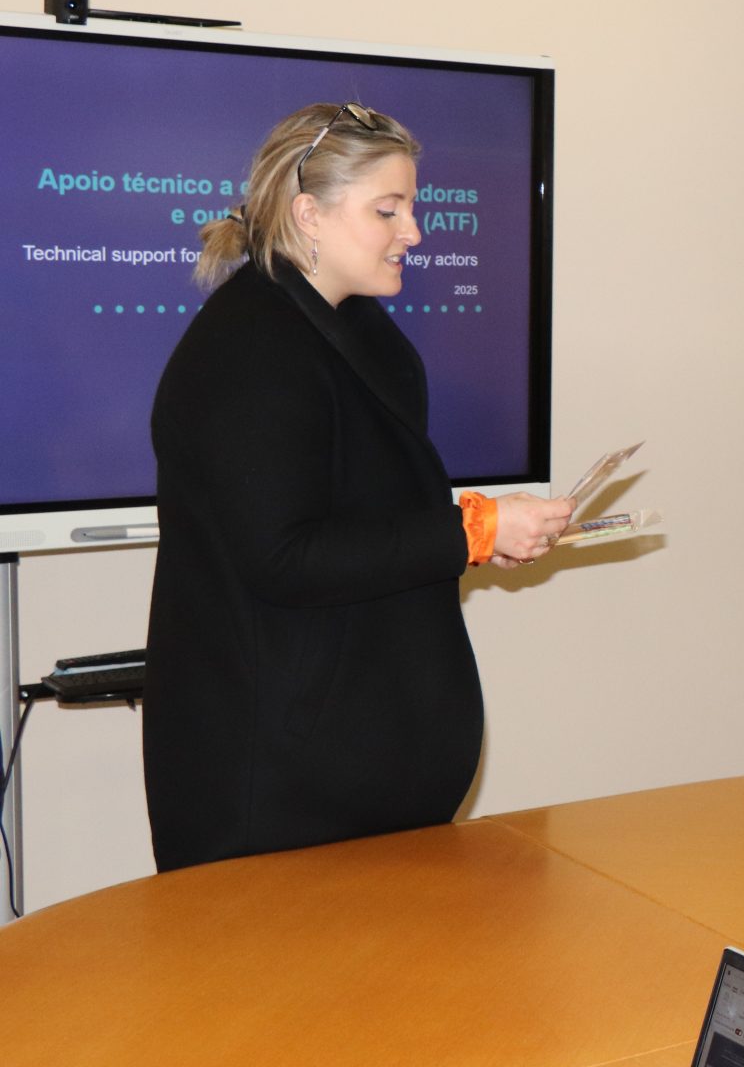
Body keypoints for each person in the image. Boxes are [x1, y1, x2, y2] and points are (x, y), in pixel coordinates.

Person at [144, 102, 573, 872]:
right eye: (388, 210)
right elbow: (282, 556)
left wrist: (481, 536)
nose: (413, 231)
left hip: (355, 784)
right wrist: (469, 530)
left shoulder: (356, 329)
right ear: (309, 214)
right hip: (280, 791)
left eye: (412, 206)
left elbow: (369, 521)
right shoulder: (251, 348)